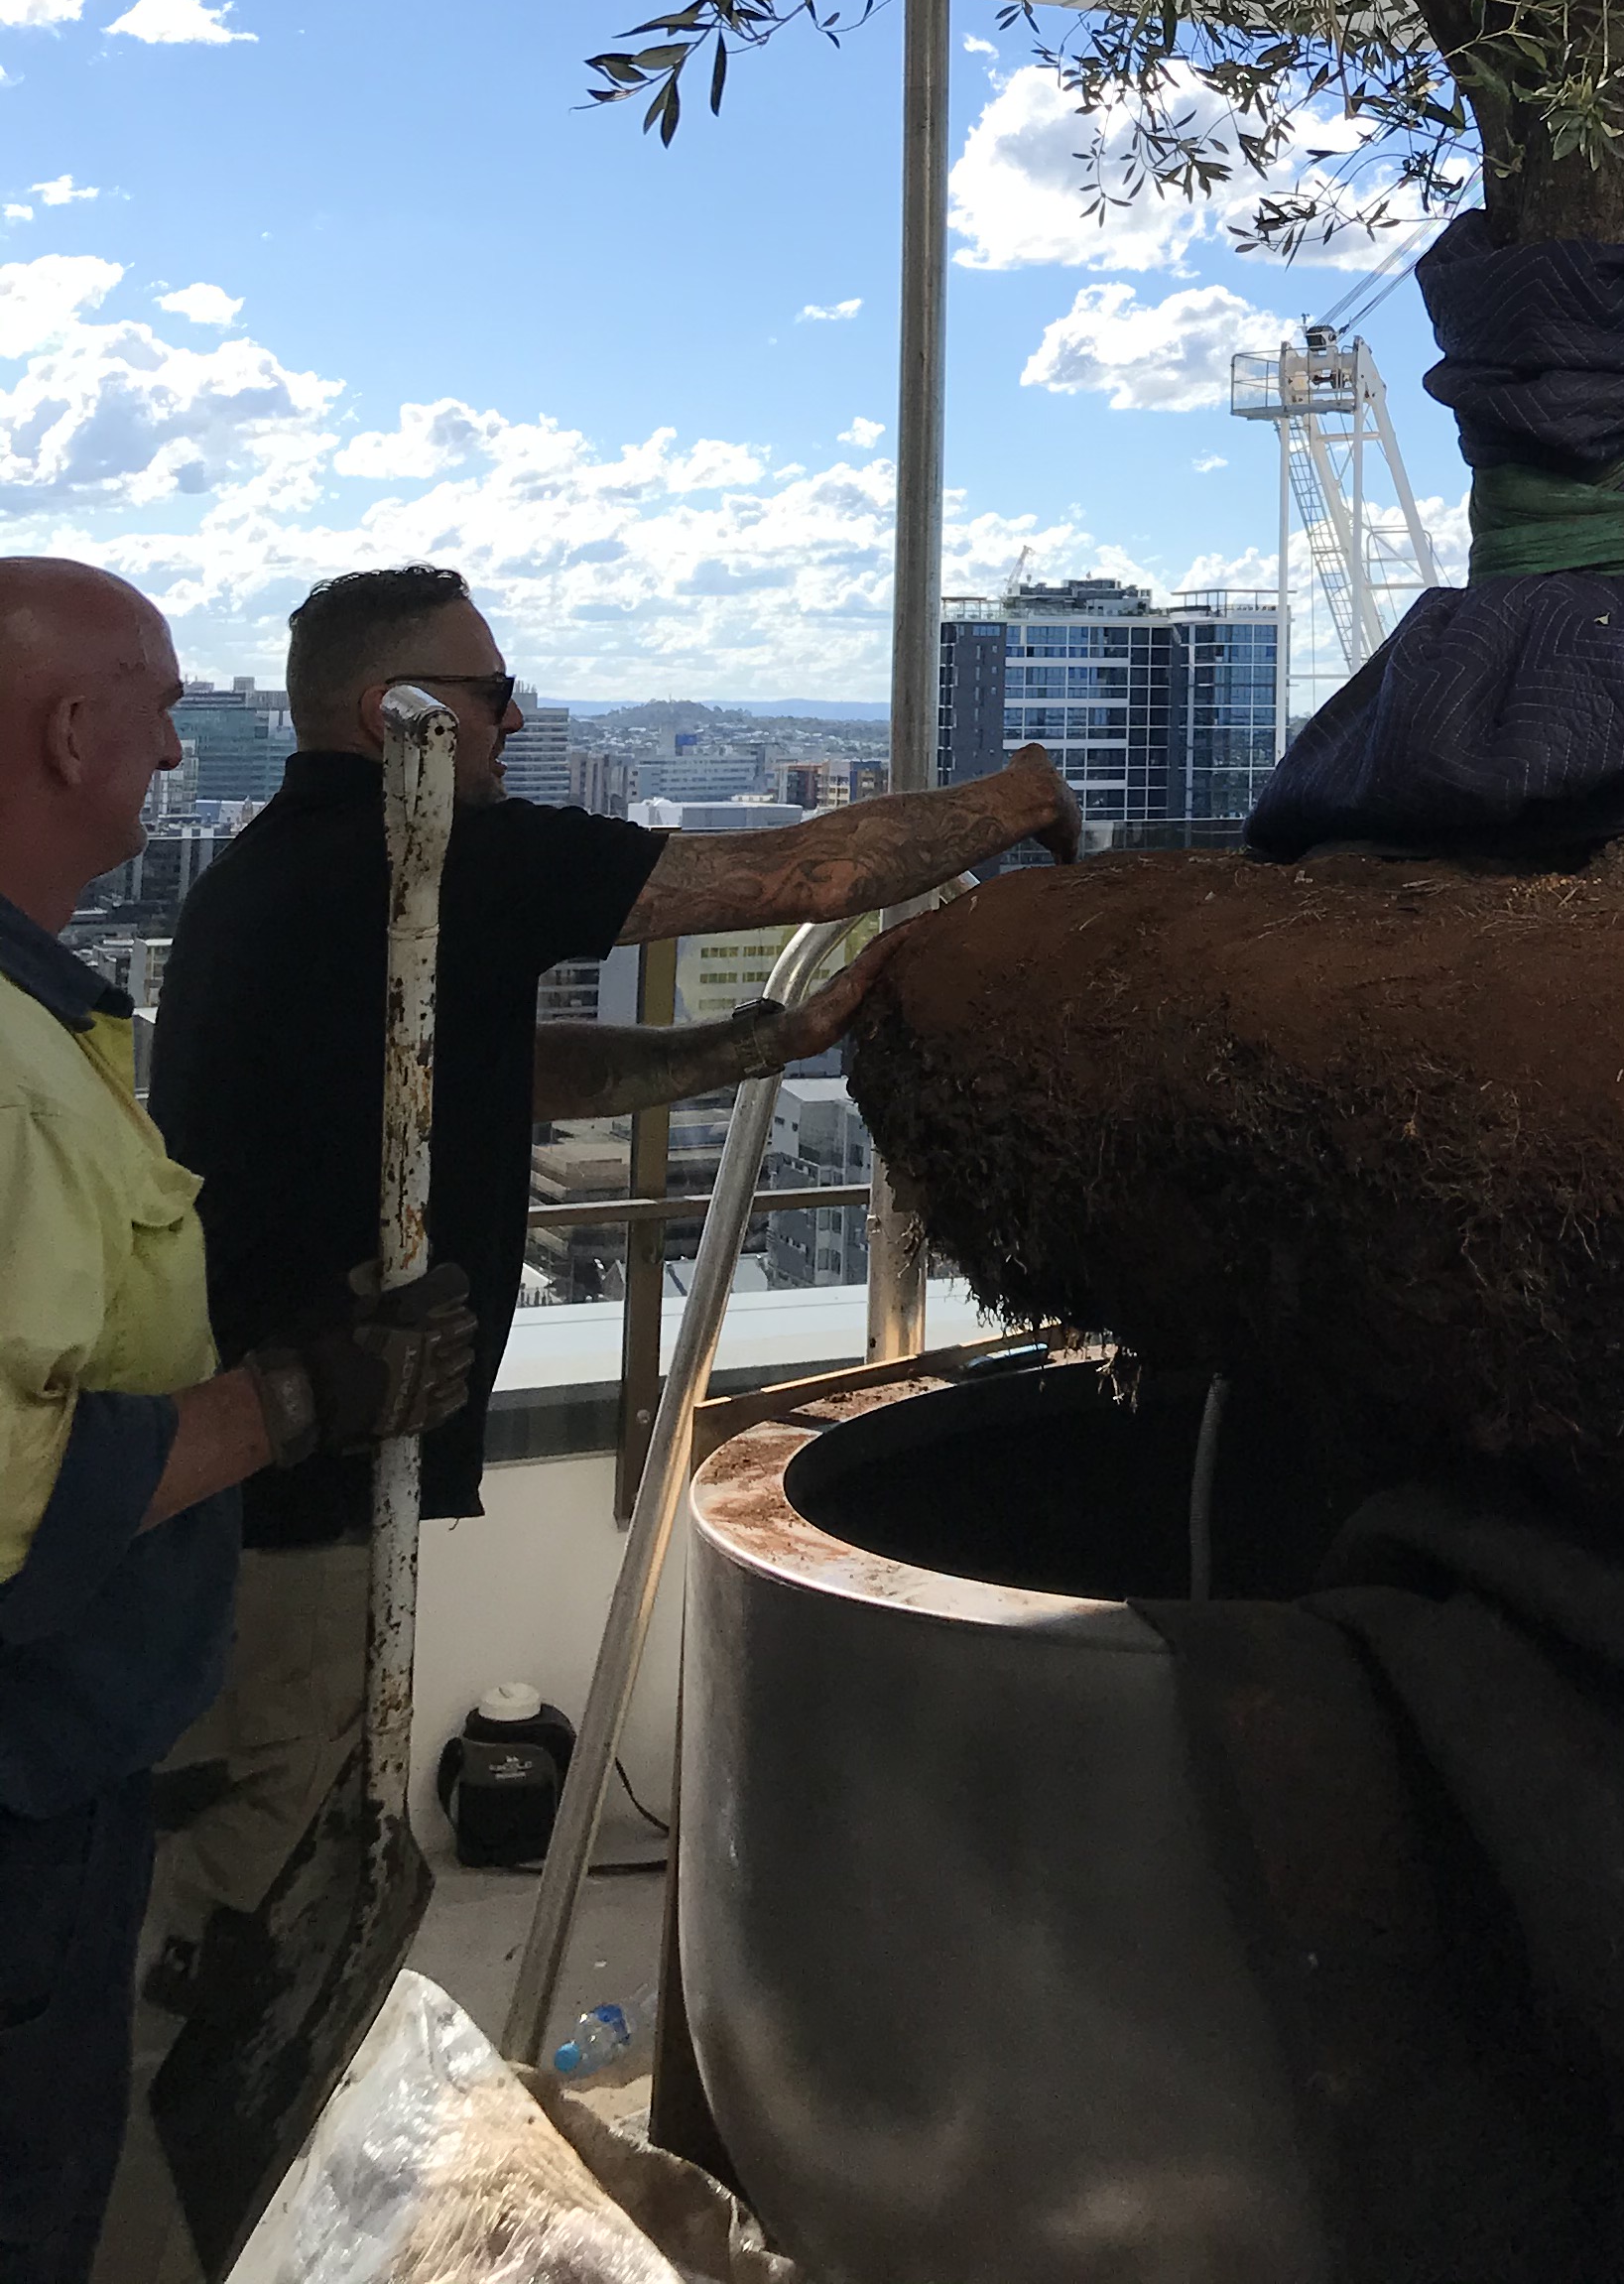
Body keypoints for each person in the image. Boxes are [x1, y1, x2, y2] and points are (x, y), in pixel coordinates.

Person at [137, 562, 1077, 2027]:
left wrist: (770, 1039)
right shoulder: (421, 850)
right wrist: (1015, 800)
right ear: (401, 716)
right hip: (291, 1496)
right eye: (493, 695)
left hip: (260, 1487)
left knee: (292, 1871)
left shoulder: (299, 877)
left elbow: (500, 1077)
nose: (517, 724)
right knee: (263, 1918)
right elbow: (796, 874)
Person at [0, 559, 473, 2284]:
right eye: (160, 711)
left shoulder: (49, 1010)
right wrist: (300, 1400)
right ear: (68, 731)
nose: (181, 757)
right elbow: (27, 1496)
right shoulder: (3, 1064)